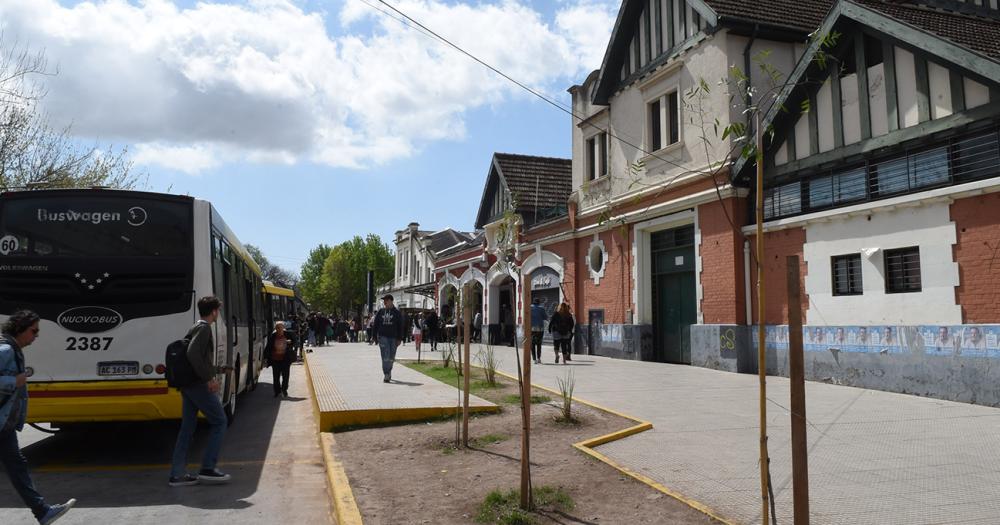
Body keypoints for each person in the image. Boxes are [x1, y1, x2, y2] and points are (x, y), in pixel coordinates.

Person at [0, 310, 77, 524]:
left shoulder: (12, 349)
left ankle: (42, 511)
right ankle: (42, 511)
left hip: (4, 424)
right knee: (17, 467)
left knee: (17, 467)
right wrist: (13, 382)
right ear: (20, 328)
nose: (36, 336)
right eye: (33, 331)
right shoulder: (5, 350)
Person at [170, 296, 233, 487]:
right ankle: (207, 468)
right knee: (220, 421)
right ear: (213, 311)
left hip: (188, 384)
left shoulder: (195, 326)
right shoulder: (204, 329)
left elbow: (199, 359)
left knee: (187, 428)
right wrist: (209, 379)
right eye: (218, 310)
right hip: (197, 384)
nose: (218, 314)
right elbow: (193, 354)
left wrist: (219, 370)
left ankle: (177, 474)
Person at [373, 294, 406, 383]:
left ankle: (389, 370)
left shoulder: (397, 313)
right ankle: (386, 374)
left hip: (394, 338)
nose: (384, 302)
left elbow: (400, 326)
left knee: (391, 357)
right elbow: (375, 324)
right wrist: (374, 337)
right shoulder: (381, 311)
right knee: (385, 356)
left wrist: (400, 338)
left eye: (386, 300)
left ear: (391, 301)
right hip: (382, 336)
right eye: (384, 301)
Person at [265, 321, 295, 398]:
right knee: (276, 377)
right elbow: (268, 347)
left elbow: (295, 342)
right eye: (277, 328)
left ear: (283, 328)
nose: (279, 329)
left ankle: (284, 390)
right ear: (275, 328)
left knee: (285, 376)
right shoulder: (273, 336)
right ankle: (277, 391)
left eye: (280, 327)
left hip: (285, 359)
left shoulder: (288, 334)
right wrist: (265, 358)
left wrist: (290, 342)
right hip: (275, 359)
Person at [529, 298, 547, 364]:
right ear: (539, 302)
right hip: (540, 328)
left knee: (532, 344)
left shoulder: (529, 308)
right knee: (539, 344)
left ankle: (534, 359)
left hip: (532, 328)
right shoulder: (541, 308)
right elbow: (545, 317)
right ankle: (539, 358)